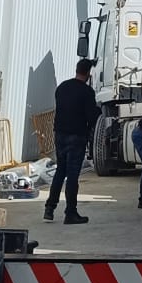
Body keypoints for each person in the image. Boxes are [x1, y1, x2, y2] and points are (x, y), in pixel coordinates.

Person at [46, 57, 100, 224]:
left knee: (60, 171)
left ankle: (49, 208)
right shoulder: (87, 92)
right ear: (89, 74)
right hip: (76, 136)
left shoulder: (62, 87)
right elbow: (92, 117)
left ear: (77, 69)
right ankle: (70, 213)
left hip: (60, 134)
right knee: (72, 176)